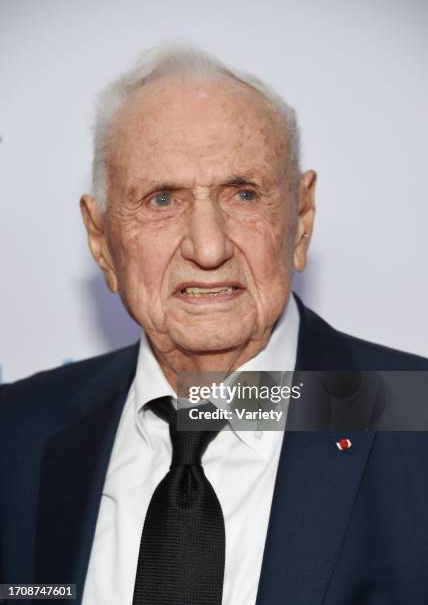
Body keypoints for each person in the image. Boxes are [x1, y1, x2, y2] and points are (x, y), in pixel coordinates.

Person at [1, 43, 427, 605]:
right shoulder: (16, 432)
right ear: (101, 242)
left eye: (243, 193)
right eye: (160, 200)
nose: (208, 247)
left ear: (300, 221)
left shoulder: (412, 421)